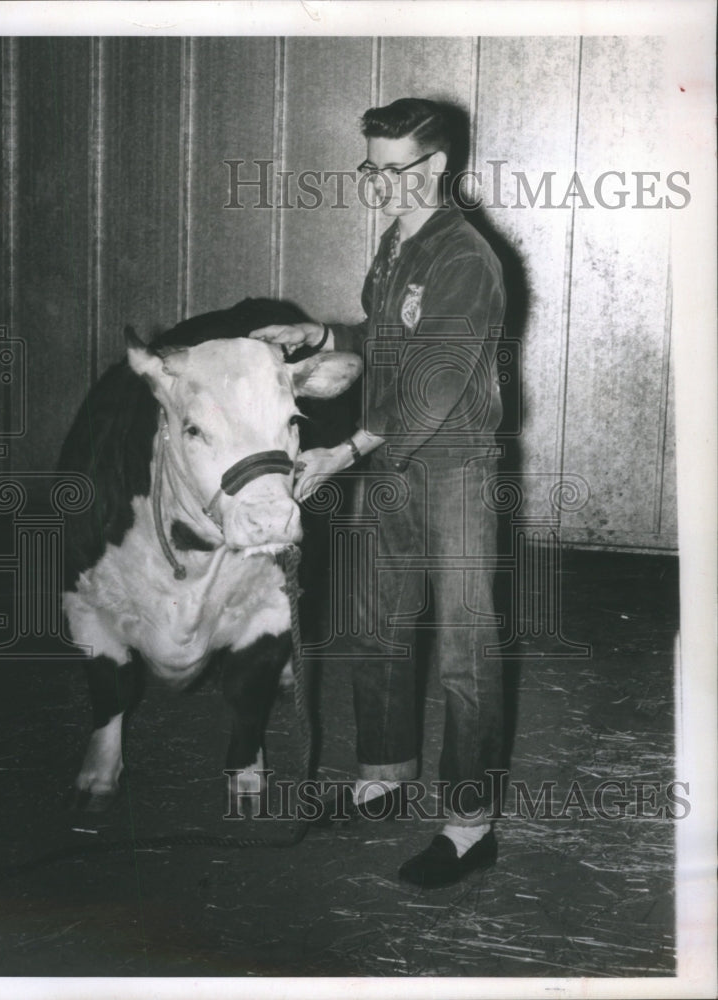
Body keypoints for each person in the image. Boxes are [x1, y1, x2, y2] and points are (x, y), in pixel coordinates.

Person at [250, 98, 505, 888]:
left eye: (395, 172)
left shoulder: (466, 257)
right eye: (370, 169)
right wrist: (323, 338)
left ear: (436, 167)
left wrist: (348, 448)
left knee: (465, 652)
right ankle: (385, 775)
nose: (378, 187)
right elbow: (389, 340)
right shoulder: (397, 245)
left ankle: (468, 826)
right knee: (377, 625)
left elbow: (433, 384)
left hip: (453, 469)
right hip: (390, 466)